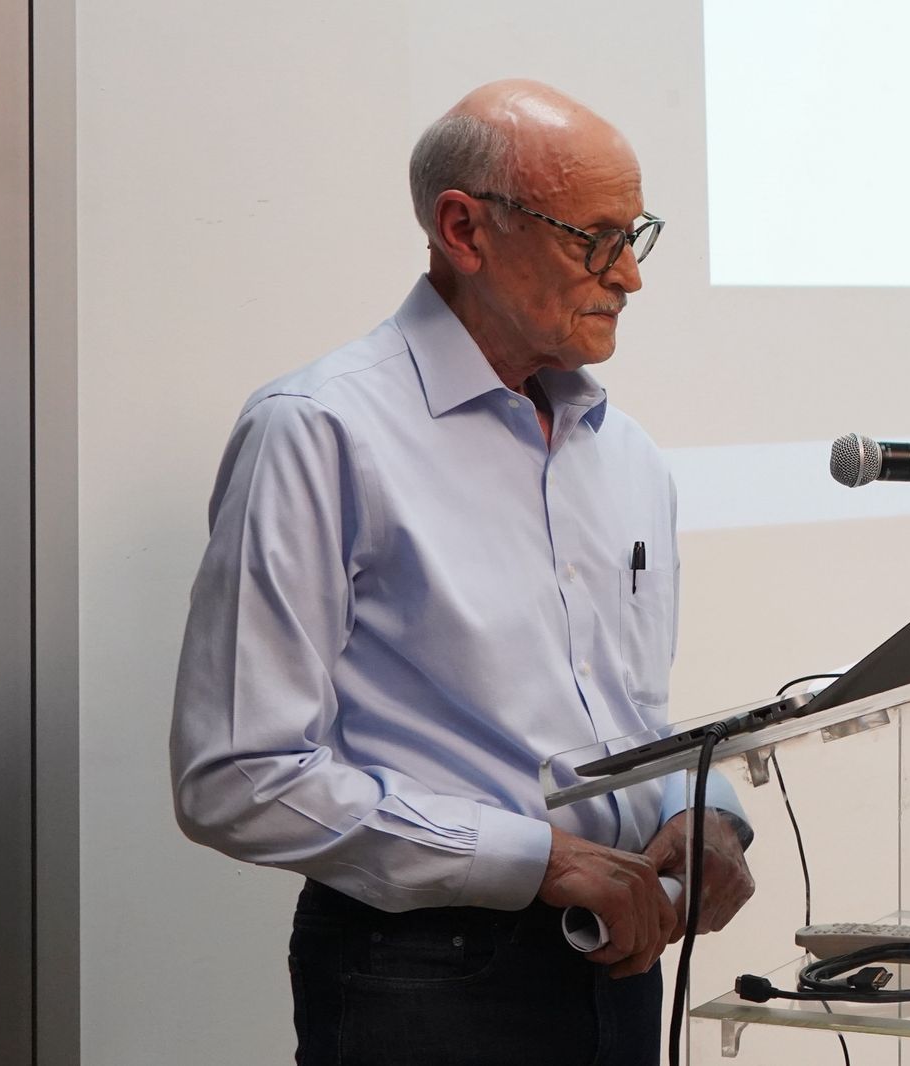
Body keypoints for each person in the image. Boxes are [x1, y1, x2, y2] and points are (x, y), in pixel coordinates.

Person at [170, 80, 754, 1065]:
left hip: (622, 959)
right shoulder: (319, 431)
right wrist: (539, 859)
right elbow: (237, 776)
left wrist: (701, 809)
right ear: (464, 229)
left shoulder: (625, 454)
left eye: (634, 237)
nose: (629, 277)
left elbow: (623, 718)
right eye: (594, 240)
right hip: (426, 975)